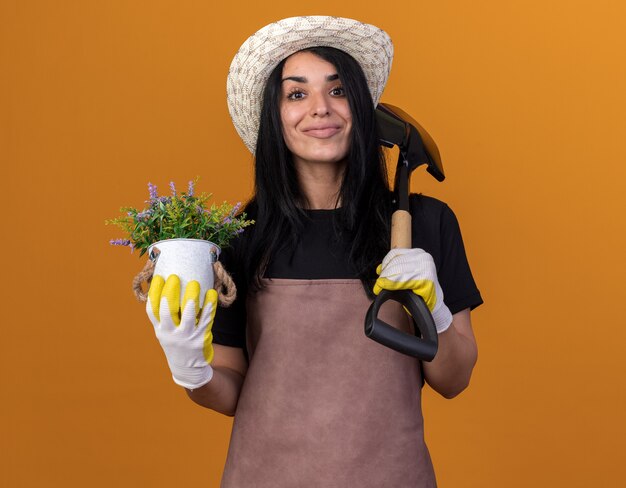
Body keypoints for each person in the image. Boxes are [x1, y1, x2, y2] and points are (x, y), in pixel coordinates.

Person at [146, 16, 483, 487]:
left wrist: (437, 312)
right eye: (297, 94)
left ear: (362, 108)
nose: (320, 109)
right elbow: (231, 392)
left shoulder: (425, 223)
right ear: (274, 115)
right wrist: (191, 370)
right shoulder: (242, 236)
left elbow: (454, 379)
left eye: (339, 90)